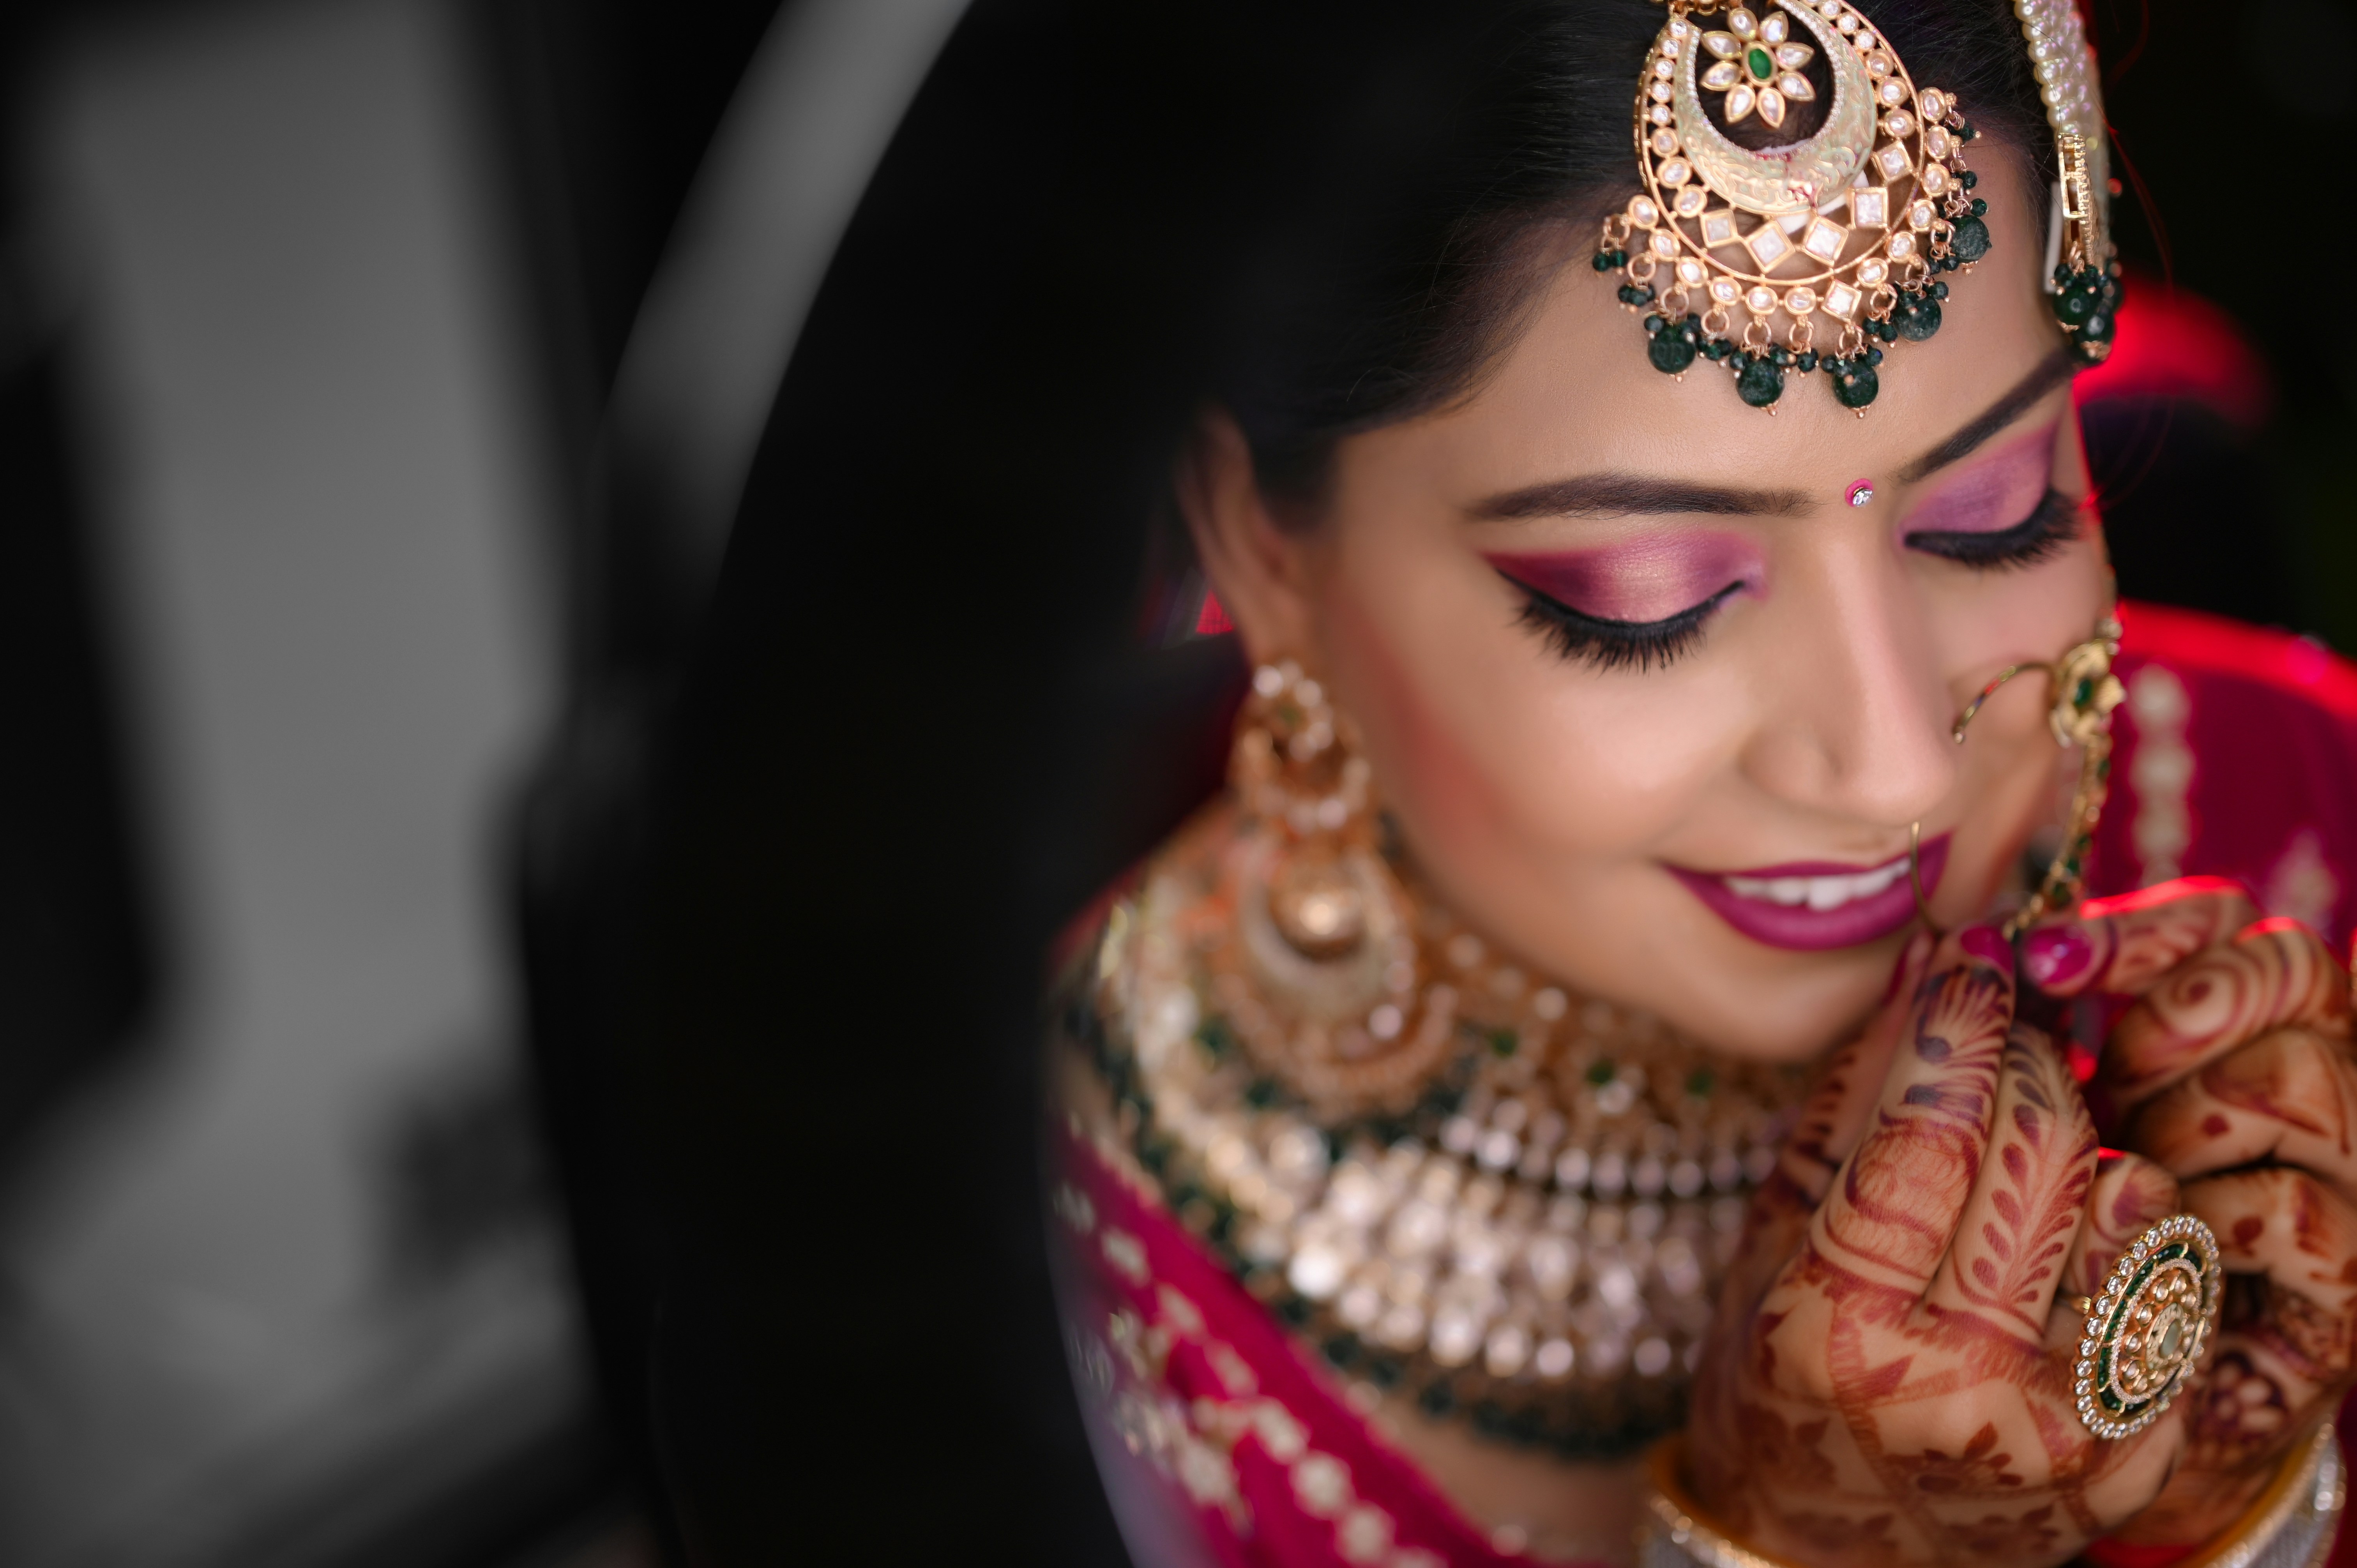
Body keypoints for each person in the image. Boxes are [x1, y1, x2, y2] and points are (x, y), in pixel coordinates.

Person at [1045, 1, 2357, 1563]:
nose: (1897, 767)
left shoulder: (2305, 822)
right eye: (1644, 602)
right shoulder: (1024, 1281)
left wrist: (2243, 1501)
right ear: (1264, 546)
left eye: (1994, 514)